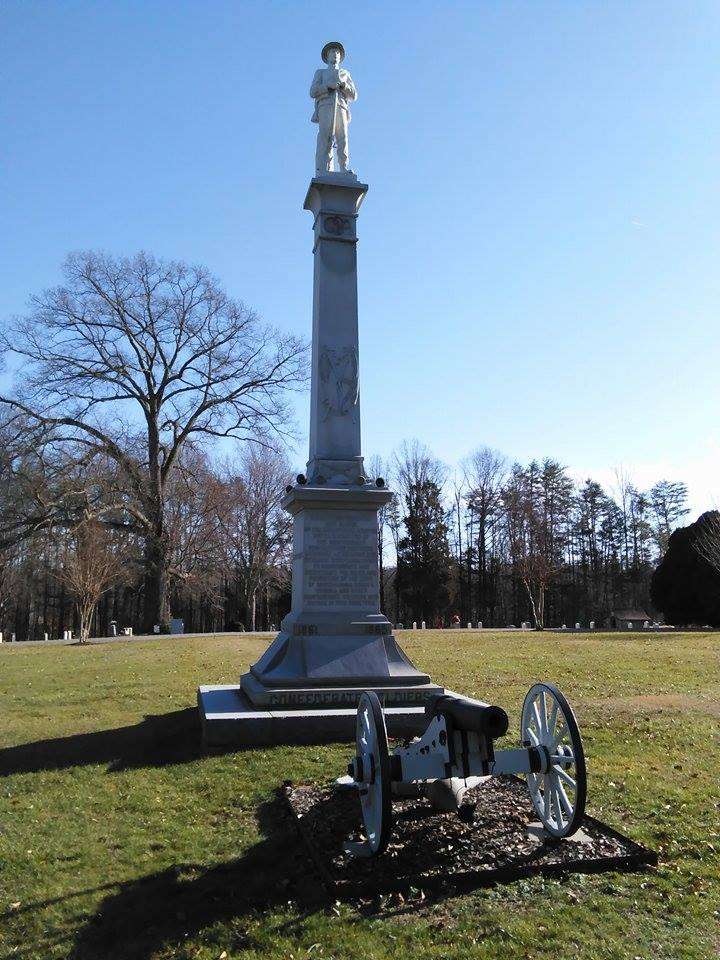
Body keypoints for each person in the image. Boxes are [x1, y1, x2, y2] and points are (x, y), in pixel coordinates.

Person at [310, 41, 357, 175]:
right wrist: (327, 87)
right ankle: (322, 168)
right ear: (327, 56)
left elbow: (354, 95)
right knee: (326, 137)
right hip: (325, 106)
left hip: (341, 106)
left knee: (342, 137)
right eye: (332, 52)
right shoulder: (321, 73)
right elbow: (313, 91)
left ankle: (343, 167)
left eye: (337, 52)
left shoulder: (345, 74)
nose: (335, 54)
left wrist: (344, 86)